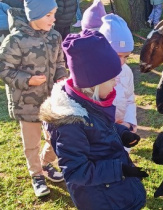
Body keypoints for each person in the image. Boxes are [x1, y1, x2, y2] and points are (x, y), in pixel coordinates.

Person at [39, 30, 148, 210]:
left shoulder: (89, 102)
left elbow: (100, 128)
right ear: (94, 83)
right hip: (100, 198)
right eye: (112, 79)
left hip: (113, 189)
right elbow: (76, 171)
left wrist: (122, 133)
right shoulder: (70, 124)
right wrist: (118, 170)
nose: (115, 84)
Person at [0, 0, 68, 197]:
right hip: (26, 102)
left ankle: (45, 164)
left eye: (54, 14)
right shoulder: (15, 40)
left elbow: (59, 61)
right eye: (48, 15)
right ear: (33, 15)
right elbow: (4, 69)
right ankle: (36, 174)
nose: (53, 19)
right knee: (31, 143)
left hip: (51, 101)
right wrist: (28, 80)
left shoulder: (55, 36)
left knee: (56, 137)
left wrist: (61, 76)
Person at [99, 14, 138, 137]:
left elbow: (130, 98)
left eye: (126, 56)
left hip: (121, 127)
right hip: (101, 133)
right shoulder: (95, 74)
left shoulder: (126, 71)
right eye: (117, 56)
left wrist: (128, 122)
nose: (122, 62)